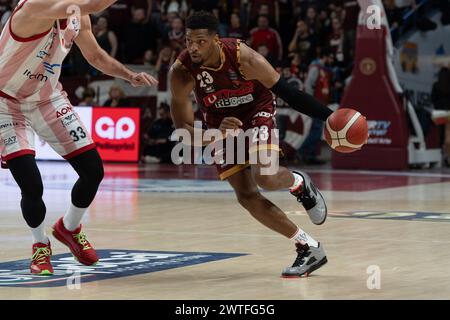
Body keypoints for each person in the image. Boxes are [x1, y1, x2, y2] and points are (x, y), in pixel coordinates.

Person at [169, 11, 334, 277]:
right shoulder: (181, 72)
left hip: (256, 109)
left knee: (266, 176)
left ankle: (298, 183)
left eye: (200, 41)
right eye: (189, 41)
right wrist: (215, 135)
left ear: (215, 40)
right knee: (246, 196)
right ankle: (307, 247)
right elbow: (183, 130)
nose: (193, 47)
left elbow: (289, 94)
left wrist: (329, 116)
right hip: (220, 123)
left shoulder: (242, 56)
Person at [0, 0, 158, 275]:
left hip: (47, 99)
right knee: (32, 184)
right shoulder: (34, 7)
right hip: (6, 102)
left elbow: (95, 56)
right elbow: (94, 4)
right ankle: (40, 245)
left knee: (93, 170)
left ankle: (69, 228)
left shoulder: (78, 15)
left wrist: (128, 75)